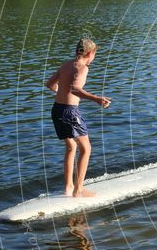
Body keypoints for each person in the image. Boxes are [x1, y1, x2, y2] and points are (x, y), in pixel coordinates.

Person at [45, 38, 111, 197]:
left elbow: (50, 84)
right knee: (86, 148)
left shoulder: (66, 64)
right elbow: (75, 89)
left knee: (71, 147)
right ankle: (79, 189)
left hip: (57, 110)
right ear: (91, 53)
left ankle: (68, 187)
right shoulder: (82, 68)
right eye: (95, 53)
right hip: (70, 112)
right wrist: (95, 99)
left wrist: (62, 93)